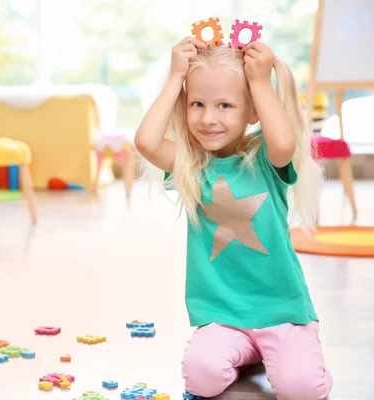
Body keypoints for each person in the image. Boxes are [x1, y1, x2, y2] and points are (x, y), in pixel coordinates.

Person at [134, 36, 333, 399]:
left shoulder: (264, 161)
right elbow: (146, 142)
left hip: (282, 312)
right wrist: (175, 76)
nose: (208, 118)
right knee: (202, 379)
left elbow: (286, 143)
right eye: (197, 104)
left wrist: (260, 82)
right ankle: (248, 351)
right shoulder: (192, 167)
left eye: (225, 105)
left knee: (302, 390)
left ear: (252, 109)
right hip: (222, 316)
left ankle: (278, 350)